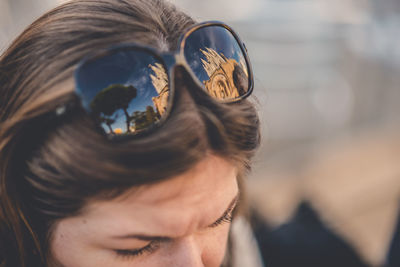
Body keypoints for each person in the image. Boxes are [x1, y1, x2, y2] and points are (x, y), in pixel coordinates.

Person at [0, 0, 261, 266]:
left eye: (219, 219)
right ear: (23, 225)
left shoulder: (241, 249)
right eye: (139, 248)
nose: (194, 262)